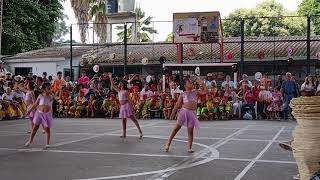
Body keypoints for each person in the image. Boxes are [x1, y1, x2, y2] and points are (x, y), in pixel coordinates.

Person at [165, 78, 204, 153]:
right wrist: (172, 114)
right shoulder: (183, 94)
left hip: (192, 113)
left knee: (190, 131)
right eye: (189, 82)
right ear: (185, 85)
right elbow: (177, 105)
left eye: (191, 82)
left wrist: (202, 83)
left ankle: (189, 148)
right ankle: (168, 143)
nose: (191, 83)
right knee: (176, 128)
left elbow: (205, 92)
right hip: (184, 112)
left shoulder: (195, 92)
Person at [25, 82, 60, 148]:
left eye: (50, 88)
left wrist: (60, 90)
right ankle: (30, 140)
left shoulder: (51, 96)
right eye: (48, 88)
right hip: (39, 113)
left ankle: (47, 143)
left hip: (47, 114)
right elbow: (35, 104)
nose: (50, 89)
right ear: (44, 89)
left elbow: (58, 98)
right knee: (35, 128)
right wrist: (29, 111)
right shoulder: (40, 95)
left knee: (47, 129)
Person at [109, 73, 143, 139]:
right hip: (122, 107)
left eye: (120, 83)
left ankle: (140, 132)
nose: (119, 84)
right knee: (123, 121)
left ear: (122, 84)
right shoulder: (119, 91)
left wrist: (132, 108)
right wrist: (110, 78)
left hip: (127, 106)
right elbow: (112, 85)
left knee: (133, 119)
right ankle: (124, 134)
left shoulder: (126, 91)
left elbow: (129, 100)